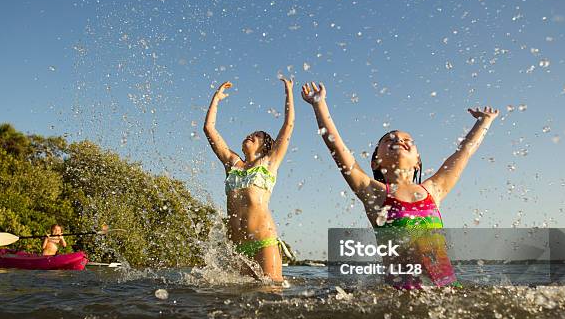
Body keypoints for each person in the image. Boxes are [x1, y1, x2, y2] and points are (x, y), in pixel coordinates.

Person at [301, 82, 499, 288]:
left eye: (407, 139)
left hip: (447, 289)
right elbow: (337, 147)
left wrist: (484, 121)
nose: (398, 139)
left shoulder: (433, 189)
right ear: (375, 161)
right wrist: (319, 104)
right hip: (402, 294)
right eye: (389, 140)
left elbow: (464, 153)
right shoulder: (374, 192)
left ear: (418, 162)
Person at [203, 78, 295, 282]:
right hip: (236, 246)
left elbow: (288, 125)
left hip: (264, 242)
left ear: (266, 146)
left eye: (257, 135)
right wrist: (216, 98)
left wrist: (289, 90)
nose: (250, 135)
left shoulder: (269, 163)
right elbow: (209, 130)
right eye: (250, 133)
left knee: (270, 294)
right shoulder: (232, 163)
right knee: (238, 299)